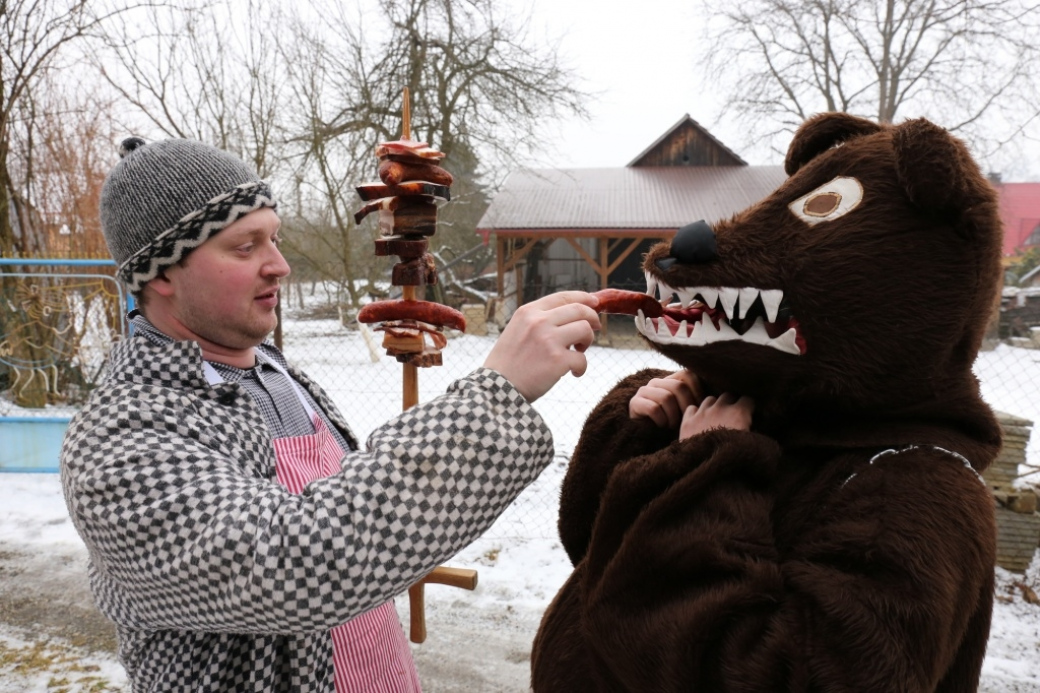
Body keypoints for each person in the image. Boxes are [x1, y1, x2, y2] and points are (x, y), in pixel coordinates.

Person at [60, 136, 601, 692]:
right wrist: (498, 394)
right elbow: (296, 561)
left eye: (274, 238)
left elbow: (364, 519)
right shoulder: (119, 435)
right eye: (246, 247)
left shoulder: (277, 373)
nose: (281, 266)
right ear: (162, 273)